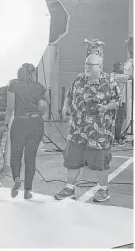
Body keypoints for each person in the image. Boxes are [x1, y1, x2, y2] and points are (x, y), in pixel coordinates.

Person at [54, 54, 120, 202]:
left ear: (99, 67)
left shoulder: (108, 81)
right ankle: (69, 189)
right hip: (77, 129)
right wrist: (65, 107)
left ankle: (103, 190)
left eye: (91, 65)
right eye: (86, 64)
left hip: (99, 131)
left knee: (100, 162)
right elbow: (69, 95)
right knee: (73, 158)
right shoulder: (79, 79)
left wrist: (106, 107)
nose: (87, 67)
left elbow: (117, 101)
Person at [1, 63, 49, 199]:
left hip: (20, 122)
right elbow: (47, 101)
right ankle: (27, 191)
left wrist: (5, 124)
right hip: (36, 123)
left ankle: (16, 178)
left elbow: (10, 108)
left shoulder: (13, 85)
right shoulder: (39, 86)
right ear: (33, 73)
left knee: (16, 154)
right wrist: (40, 105)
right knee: (30, 157)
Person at [110, 62, 131, 145]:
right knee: (119, 120)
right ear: (116, 68)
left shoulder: (115, 75)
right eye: (121, 67)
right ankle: (116, 138)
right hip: (119, 101)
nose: (123, 69)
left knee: (118, 120)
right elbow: (131, 76)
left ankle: (116, 137)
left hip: (118, 101)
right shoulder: (117, 76)